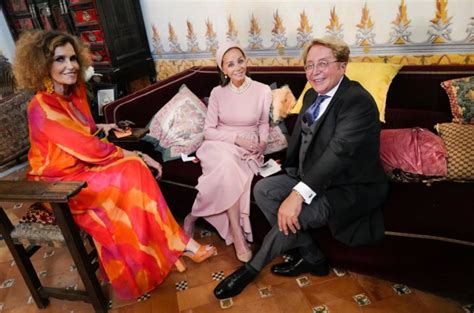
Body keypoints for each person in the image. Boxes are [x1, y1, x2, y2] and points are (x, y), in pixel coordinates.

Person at [12, 30, 216, 300]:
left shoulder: (74, 94)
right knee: (134, 170)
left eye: (73, 58)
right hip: (58, 185)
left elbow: (87, 132)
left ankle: (176, 244)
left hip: (84, 169)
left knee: (134, 173)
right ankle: (171, 247)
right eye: (59, 60)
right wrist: (137, 155)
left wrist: (107, 133)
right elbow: (87, 146)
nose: (70, 66)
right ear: (42, 64)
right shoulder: (40, 106)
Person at [214, 36, 388, 299]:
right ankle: (312, 256)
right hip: (313, 177)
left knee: (294, 213)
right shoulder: (310, 94)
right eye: (309, 65)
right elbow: (302, 138)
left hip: (348, 187)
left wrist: (297, 195)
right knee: (264, 189)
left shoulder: (357, 101)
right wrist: (286, 168)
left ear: (342, 66)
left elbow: (338, 153)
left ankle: (250, 269)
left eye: (323, 64)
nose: (314, 72)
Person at [183, 41, 272, 262]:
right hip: (219, 144)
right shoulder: (217, 93)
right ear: (223, 69)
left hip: (248, 145)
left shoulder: (262, 90)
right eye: (230, 64)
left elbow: (263, 123)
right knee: (227, 164)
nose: (237, 67)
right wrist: (236, 139)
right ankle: (238, 234)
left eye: (240, 61)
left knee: (230, 170)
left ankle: (192, 216)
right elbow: (209, 132)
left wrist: (262, 143)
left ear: (246, 62)